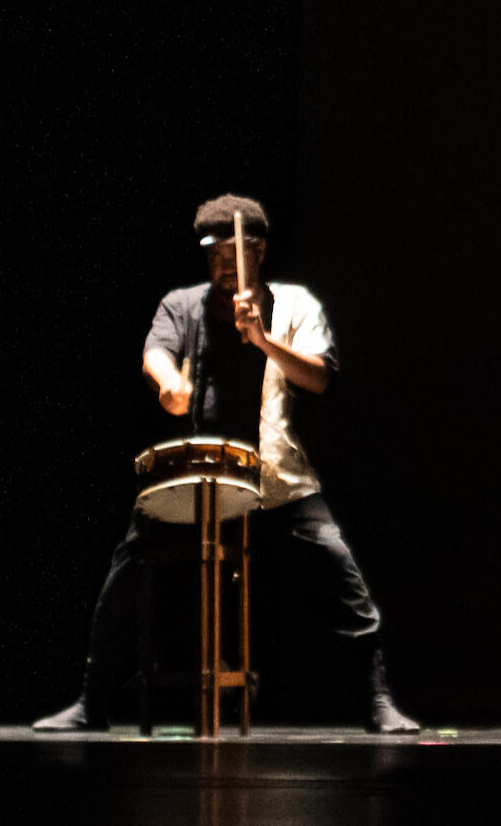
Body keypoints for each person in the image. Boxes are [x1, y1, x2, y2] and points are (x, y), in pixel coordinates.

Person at [33, 194, 419, 734]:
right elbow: (156, 351)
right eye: (212, 254)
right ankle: (92, 703)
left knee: (338, 573)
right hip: (203, 480)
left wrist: (262, 339)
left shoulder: (295, 304)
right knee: (128, 571)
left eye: (233, 252)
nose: (222, 264)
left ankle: (377, 701)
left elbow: (320, 376)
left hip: (276, 480)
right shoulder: (183, 305)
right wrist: (169, 382)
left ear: (258, 251)